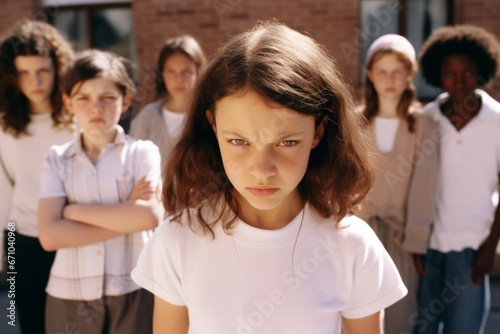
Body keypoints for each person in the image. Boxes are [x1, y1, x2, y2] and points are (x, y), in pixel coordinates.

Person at [131, 22, 408, 334]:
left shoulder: (352, 245)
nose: (262, 170)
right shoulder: (177, 240)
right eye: (239, 142)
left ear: (318, 131)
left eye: (287, 143)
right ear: (213, 126)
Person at [37, 49, 164, 334]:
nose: (96, 108)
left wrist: (72, 211)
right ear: (68, 103)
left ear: (126, 100)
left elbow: (149, 217)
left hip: (134, 289)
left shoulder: (142, 152)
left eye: (108, 97)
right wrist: (126, 213)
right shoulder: (56, 159)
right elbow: (49, 236)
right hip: (68, 293)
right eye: (83, 98)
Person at [411, 25, 500, 334]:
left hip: (473, 250)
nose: (459, 81)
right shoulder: (426, 118)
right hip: (428, 247)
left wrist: (490, 248)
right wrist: (415, 243)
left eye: (468, 73)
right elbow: (413, 184)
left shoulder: (497, 121)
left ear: (482, 72)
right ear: (438, 74)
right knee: (422, 328)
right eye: (450, 73)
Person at [357, 34, 439, 334]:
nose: (389, 79)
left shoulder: (422, 125)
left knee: (399, 317)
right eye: (381, 71)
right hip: (360, 234)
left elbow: (424, 188)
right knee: (358, 314)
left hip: (401, 238)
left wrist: (417, 242)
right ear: (369, 74)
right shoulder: (356, 121)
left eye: (397, 71)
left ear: (410, 75)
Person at [0, 19, 74, 334]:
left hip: (69, 234)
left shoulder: (76, 121)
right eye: (24, 72)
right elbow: (2, 190)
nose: (35, 80)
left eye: (42, 70)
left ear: (58, 69)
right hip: (20, 238)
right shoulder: (4, 126)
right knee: (27, 322)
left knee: (73, 322)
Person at [129, 35, 206, 170]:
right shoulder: (147, 117)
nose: (179, 79)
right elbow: (131, 166)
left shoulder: (210, 116)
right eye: (171, 72)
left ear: (199, 71)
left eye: (186, 72)